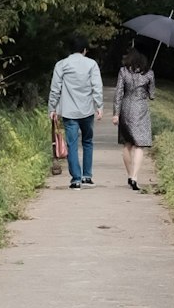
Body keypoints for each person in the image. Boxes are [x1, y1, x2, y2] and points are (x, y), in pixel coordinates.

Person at [48, 34, 103, 188]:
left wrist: (52, 108)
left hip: (69, 112)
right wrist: (99, 106)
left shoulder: (61, 65)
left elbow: (55, 89)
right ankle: (87, 175)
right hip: (87, 110)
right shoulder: (91, 64)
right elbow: (96, 86)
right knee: (87, 142)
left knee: (72, 144)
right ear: (84, 50)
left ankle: (76, 179)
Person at [113, 48, 155, 191]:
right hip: (141, 109)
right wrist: (148, 83)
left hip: (125, 108)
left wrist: (115, 113)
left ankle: (130, 174)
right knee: (139, 145)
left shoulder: (123, 71)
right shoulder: (149, 73)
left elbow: (118, 93)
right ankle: (135, 176)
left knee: (127, 144)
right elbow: (152, 95)